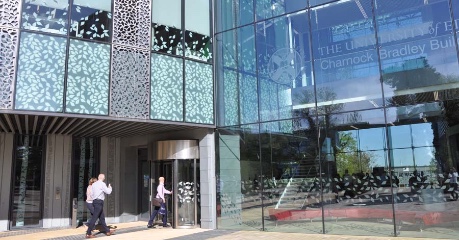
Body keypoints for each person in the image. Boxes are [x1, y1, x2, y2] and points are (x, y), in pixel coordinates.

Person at [85, 174, 114, 239]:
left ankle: (107, 231)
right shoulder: (102, 184)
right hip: (99, 202)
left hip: (95, 201)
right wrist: (110, 187)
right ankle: (88, 233)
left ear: (98, 178)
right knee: (94, 218)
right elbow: (108, 192)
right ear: (103, 178)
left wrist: (95, 198)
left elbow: (91, 194)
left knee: (102, 217)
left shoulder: (94, 184)